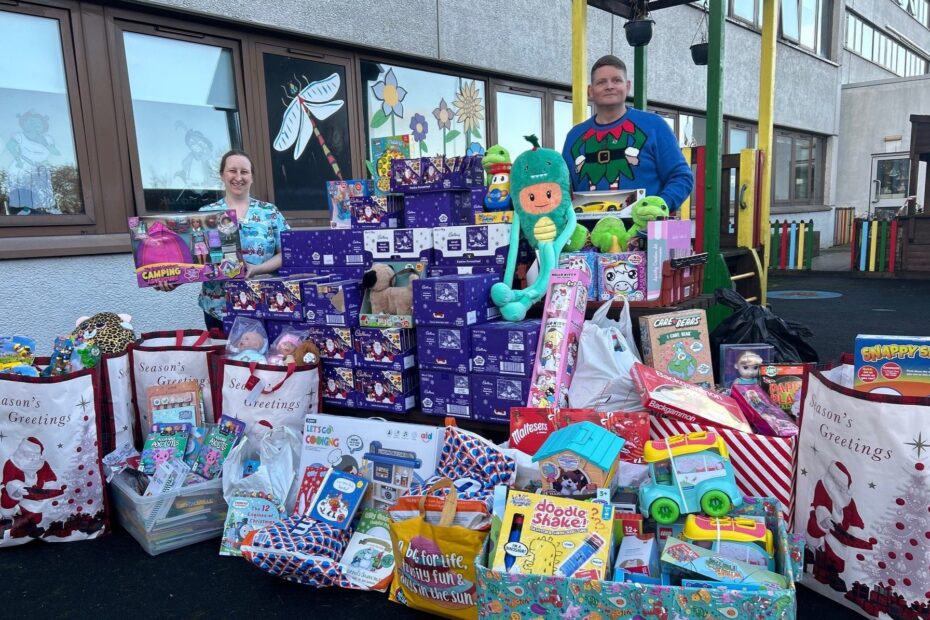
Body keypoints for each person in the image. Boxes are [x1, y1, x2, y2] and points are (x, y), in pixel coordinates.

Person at [157, 149, 289, 332]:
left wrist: (257, 269)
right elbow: (193, 260)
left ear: (252, 177)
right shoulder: (205, 215)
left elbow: (287, 253)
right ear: (222, 175)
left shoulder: (269, 212)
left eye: (244, 172)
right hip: (218, 310)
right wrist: (172, 280)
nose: (238, 177)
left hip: (264, 305)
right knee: (220, 352)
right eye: (232, 171)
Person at [561, 55, 694, 214]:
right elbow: (561, 189)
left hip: (645, 229)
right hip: (587, 230)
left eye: (617, 80)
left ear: (628, 86)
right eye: (601, 82)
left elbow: (681, 177)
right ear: (590, 90)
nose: (609, 86)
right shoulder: (574, 137)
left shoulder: (654, 126)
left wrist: (658, 207)